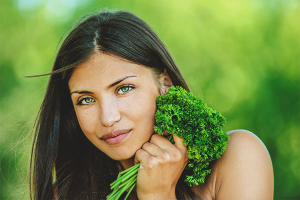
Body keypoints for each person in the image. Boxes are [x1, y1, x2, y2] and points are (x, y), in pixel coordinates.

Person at [29, 10, 274, 200]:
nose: (108, 118)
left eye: (124, 89)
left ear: (164, 83)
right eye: (86, 100)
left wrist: (157, 195)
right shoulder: (64, 194)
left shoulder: (237, 159)